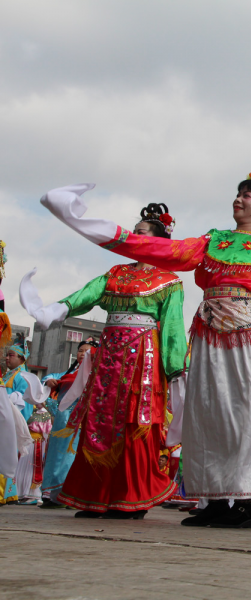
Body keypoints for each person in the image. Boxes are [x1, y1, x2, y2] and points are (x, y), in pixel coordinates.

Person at [40, 166, 251, 529]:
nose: (238, 199)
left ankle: (242, 501)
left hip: (245, 334)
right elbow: (159, 248)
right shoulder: (212, 241)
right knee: (205, 411)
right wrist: (84, 223)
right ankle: (212, 498)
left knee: (241, 412)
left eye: (247, 195)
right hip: (209, 331)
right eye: (238, 192)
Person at [23, 204, 188, 518]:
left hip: (143, 358)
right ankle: (94, 496)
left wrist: (177, 369)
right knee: (99, 419)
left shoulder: (169, 281)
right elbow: (87, 294)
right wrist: (56, 310)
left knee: (133, 420)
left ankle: (131, 496)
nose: (132, 236)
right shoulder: (115, 274)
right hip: (110, 354)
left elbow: (173, 329)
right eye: (133, 232)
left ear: (156, 240)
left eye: (139, 233)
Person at [39, 338, 99, 508]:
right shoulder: (67, 374)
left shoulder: (96, 374)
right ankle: (52, 494)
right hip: (61, 423)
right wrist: (48, 381)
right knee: (56, 456)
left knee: (72, 458)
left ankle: (70, 495)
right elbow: (50, 378)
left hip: (82, 422)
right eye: (80, 351)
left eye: (88, 351)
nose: (83, 354)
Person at [2, 341, 33, 505]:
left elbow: (22, 398)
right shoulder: (9, 374)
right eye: (6, 355)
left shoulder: (22, 375)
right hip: (4, 415)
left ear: (22, 358)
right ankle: (8, 494)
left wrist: (4, 400)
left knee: (6, 453)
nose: (7, 358)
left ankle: (5, 494)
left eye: (11, 355)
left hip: (10, 418)